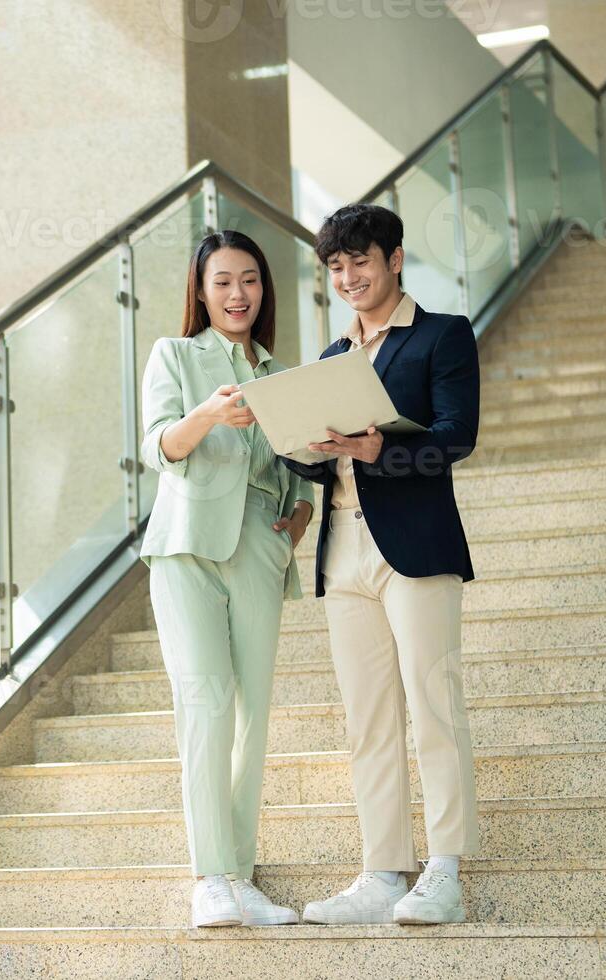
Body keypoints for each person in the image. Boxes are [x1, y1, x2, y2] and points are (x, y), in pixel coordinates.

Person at [279, 203, 481, 926]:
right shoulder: (334, 357)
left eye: (360, 261)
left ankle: (446, 868)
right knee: (368, 718)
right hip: (343, 549)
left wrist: (381, 450)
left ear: (395, 259)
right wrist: (302, 445)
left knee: (433, 702)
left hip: (415, 547)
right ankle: (383, 870)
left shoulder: (443, 336)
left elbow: (458, 439)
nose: (348, 277)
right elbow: (317, 457)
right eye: (335, 267)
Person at [139, 229, 316, 928]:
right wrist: (210, 410)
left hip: (259, 545)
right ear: (202, 291)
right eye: (223, 281)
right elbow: (159, 447)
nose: (238, 293)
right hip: (184, 548)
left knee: (253, 715)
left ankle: (242, 877)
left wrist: (299, 519)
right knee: (206, 702)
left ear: (263, 290)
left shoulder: (281, 374)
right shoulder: (175, 355)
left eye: (250, 280)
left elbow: (305, 464)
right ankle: (210, 878)